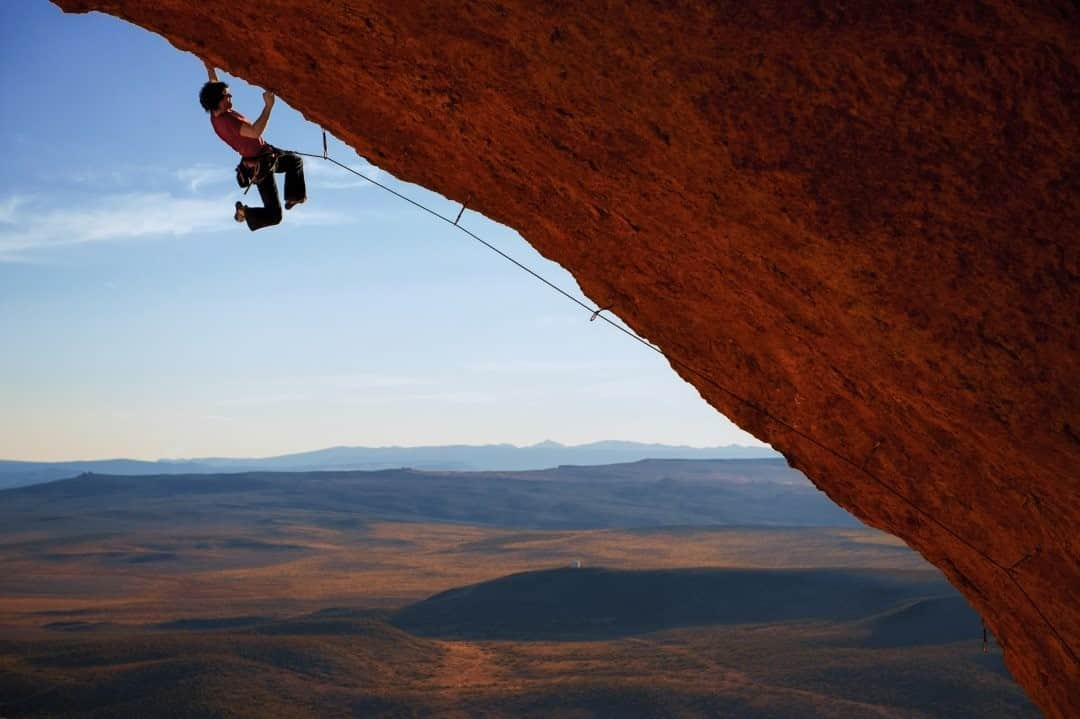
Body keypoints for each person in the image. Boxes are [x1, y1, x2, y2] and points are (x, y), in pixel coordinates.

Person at [199, 61, 306, 231]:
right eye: (227, 96)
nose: (230, 98)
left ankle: (294, 197)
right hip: (260, 166)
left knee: (295, 162)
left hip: (264, 155)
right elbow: (256, 132)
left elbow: (214, 86)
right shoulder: (229, 122)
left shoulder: (215, 113)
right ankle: (245, 213)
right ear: (218, 101)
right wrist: (268, 106)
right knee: (275, 216)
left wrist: (209, 68)